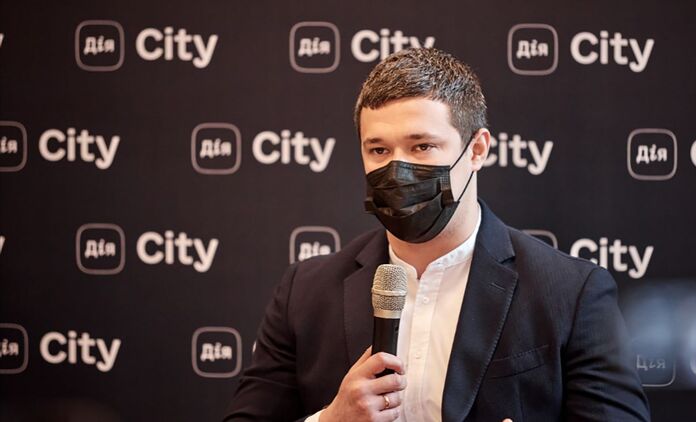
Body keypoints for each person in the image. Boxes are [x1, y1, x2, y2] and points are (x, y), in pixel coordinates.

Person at [224, 47, 650, 422]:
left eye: (422, 147)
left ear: (477, 149)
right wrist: (332, 420)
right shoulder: (305, 293)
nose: (397, 169)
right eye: (378, 150)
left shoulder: (570, 294)